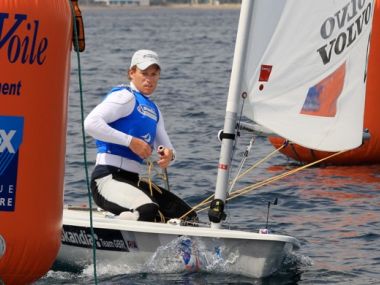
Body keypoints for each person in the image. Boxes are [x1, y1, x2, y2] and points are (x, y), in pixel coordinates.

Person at [85, 49, 196, 222]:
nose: (149, 79)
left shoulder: (154, 111)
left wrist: (169, 156)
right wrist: (130, 142)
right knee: (147, 209)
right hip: (107, 179)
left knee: (188, 217)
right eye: (144, 73)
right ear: (132, 73)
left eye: (154, 74)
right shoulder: (124, 97)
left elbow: (170, 151)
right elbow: (91, 123)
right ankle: (108, 234)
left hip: (132, 181)